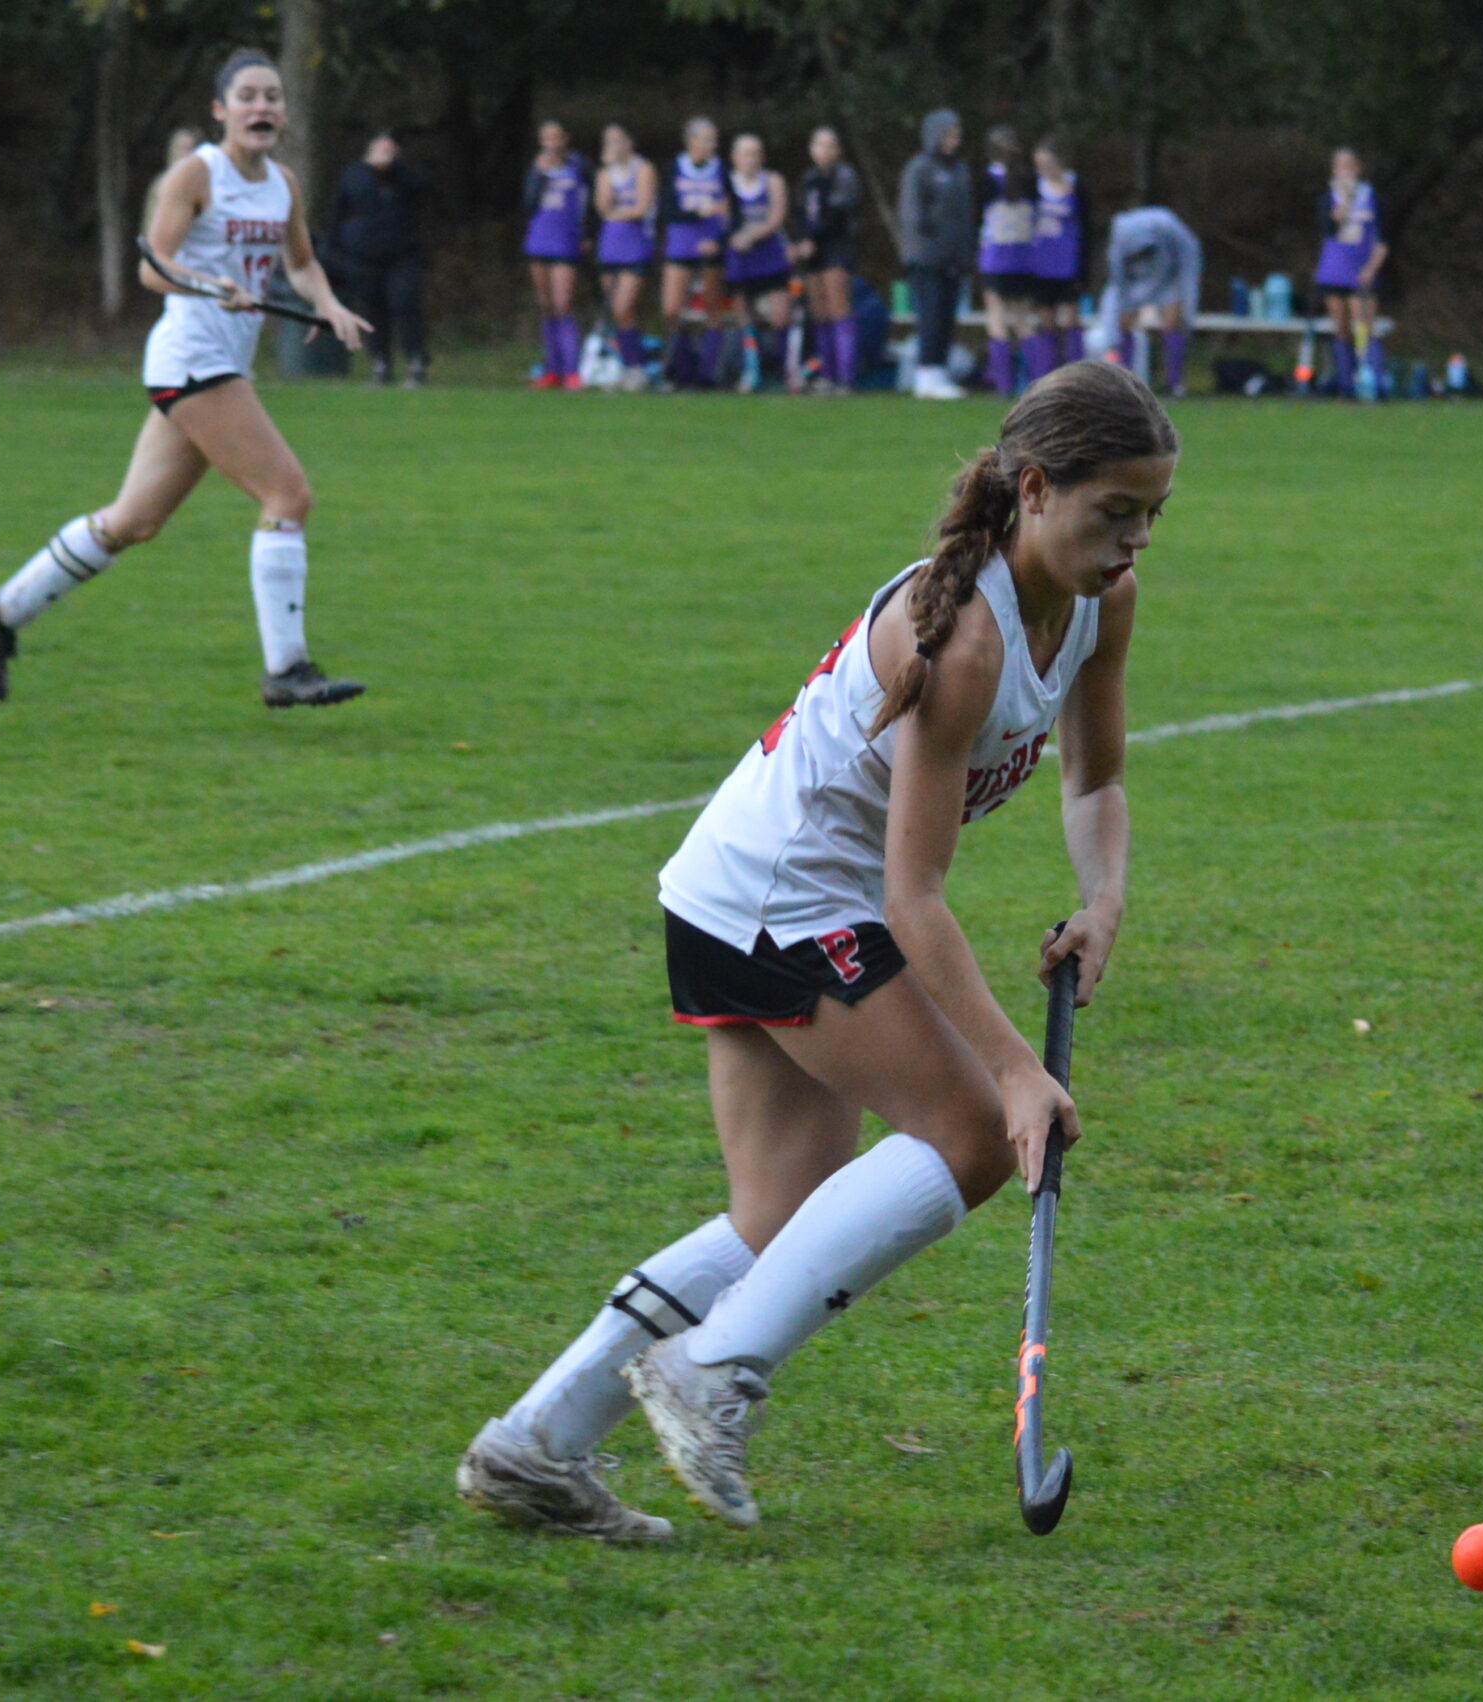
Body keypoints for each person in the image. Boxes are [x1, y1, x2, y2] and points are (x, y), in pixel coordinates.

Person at [454, 360, 1177, 1540]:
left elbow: (1097, 777)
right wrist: (1011, 1072)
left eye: (1152, 515)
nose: (1135, 541)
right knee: (967, 1135)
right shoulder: (962, 647)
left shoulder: (1100, 602)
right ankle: (714, 1366)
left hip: (754, 889)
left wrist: (1103, 901)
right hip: (775, 899)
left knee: (776, 1215)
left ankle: (535, 1446)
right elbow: (914, 896)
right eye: (1115, 513)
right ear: (1036, 488)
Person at [0, 51, 372, 710]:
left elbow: (301, 264)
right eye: (248, 96)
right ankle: (287, 669)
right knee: (288, 495)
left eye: (273, 96)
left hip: (214, 366)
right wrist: (213, 285)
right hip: (192, 359)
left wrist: (325, 302)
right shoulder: (196, 174)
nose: (262, 107)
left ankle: (3, 610)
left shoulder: (283, 185)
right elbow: (154, 267)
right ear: (221, 110)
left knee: (133, 521)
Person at [331, 126, 431, 387]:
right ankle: (380, 363)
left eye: (390, 148)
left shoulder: (405, 176)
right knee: (373, 311)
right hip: (364, 256)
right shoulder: (354, 175)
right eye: (381, 147)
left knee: (404, 303)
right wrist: (337, 249)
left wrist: (393, 170)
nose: (385, 153)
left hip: (402, 255)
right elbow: (338, 213)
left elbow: (424, 191)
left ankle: (416, 361)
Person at [896, 108, 973, 401]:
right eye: (950, 135)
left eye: (957, 135)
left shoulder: (960, 170)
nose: (954, 141)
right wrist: (927, 249)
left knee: (946, 316)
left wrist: (963, 252)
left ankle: (940, 370)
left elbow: (964, 217)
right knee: (929, 315)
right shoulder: (920, 168)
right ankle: (925, 372)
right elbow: (913, 216)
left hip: (954, 259)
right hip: (927, 259)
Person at [659, 117, 730, 389]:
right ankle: (680, 370)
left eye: (714, 139)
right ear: (691, 141)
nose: (713, 144)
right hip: (681, 245)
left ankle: (708, 374)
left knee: (712, 310)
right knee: (672, 309)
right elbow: (667, 208)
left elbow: (728, 208)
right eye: (707, 138)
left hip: (710, 244)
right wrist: (696, 211)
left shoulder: (720, 169)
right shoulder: (675, 168)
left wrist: (719, 238)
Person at [1103, 205, 1201, 397]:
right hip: (1134, 280)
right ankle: (1125, 382)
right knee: (1124, 323)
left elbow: (1189, 263)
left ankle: (1173, 383)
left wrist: (1187, 305)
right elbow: (1119, 280)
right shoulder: (1119, 239)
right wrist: (1126, 306)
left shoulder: (1168, 226)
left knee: (1173, 321)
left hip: (1167, 277)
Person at [791, 126, 861, 394]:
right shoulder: (808, 179)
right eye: (820, 144)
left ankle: (846, 377)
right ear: (811, 149)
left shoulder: (845, 176)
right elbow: (802, 215)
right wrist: (800, 241)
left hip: (835, 248)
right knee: (819, 311)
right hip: (812, 252)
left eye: (831, 145)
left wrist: (812, 239)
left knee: (838, 308)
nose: (825, 150)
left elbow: (838, 214)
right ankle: (827, 374)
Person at [1314, 147, 1388, 397]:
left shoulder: (1371, 197)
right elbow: (1327, 230)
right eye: (1339, 166)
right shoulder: (1328, 199)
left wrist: (1371, 269)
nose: (1344, 171)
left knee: (1364, 327)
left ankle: (1374, 382)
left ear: (1358, 168)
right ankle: (1346, 383)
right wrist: (1339, 212)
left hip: (1362, 273)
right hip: (1334, 273)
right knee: (1342, 328)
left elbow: (1383, 239)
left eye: (1349, 166)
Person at [721, 133, 793, 390]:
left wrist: (752, 235)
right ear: (734, 157)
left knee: (780, 316)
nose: (750, 159)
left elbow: (776, 217)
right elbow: (722, 218)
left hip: (769, 255)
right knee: (744, 317)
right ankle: (751, 370)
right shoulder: (727, 183)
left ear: (761, 157)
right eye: (744, 153)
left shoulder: (772, 181)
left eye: (755, 153)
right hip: (739, 257)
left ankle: (784, 370)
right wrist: (731, 237)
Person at [522, 121, 588, 390]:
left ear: (565, 139)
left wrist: (588, 234)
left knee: (563, 304)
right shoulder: (537, 168)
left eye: (556, 137)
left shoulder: (579, 166)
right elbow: (528, 205)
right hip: (539, 240)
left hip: (566, 241)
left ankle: (572, 371)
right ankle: (552, 369)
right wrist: (540, 175)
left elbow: (590, 201)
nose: (551, 143)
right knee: (546, 305)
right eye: (546, 138)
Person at [975, 127, 1040, 397]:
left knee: (998, 319)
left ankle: (1004, 386)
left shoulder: (987, 181)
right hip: (1024, 259)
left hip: (996, 259)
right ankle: (1039, 385)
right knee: (1024, 321)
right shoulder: (1030, 180)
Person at [591, 123, 657, 389]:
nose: (615, 146)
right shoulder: (606, 172)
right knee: (616, 311)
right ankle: (626, 365)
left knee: (624, 306)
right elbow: (602, 207)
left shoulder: (644, 169)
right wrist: (607, 170)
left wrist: (617, 214)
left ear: (630, 143)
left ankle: (636, 367)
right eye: (610, 142)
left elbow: (641, 207)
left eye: (620, 141)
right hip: (611, 245)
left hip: (636, 245)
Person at [1028, 137, 1084, 374]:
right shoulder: (1033, 188)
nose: (1043, 170)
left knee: (1072, 319)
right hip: (1041, 265)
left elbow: (1085, 227)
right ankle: (1046, 375)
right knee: (1047, 321)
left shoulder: (1076, 186)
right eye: (1039, 165)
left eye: (1047, 163)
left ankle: (1078, 373)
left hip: (1068, 263)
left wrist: (1083, 267)